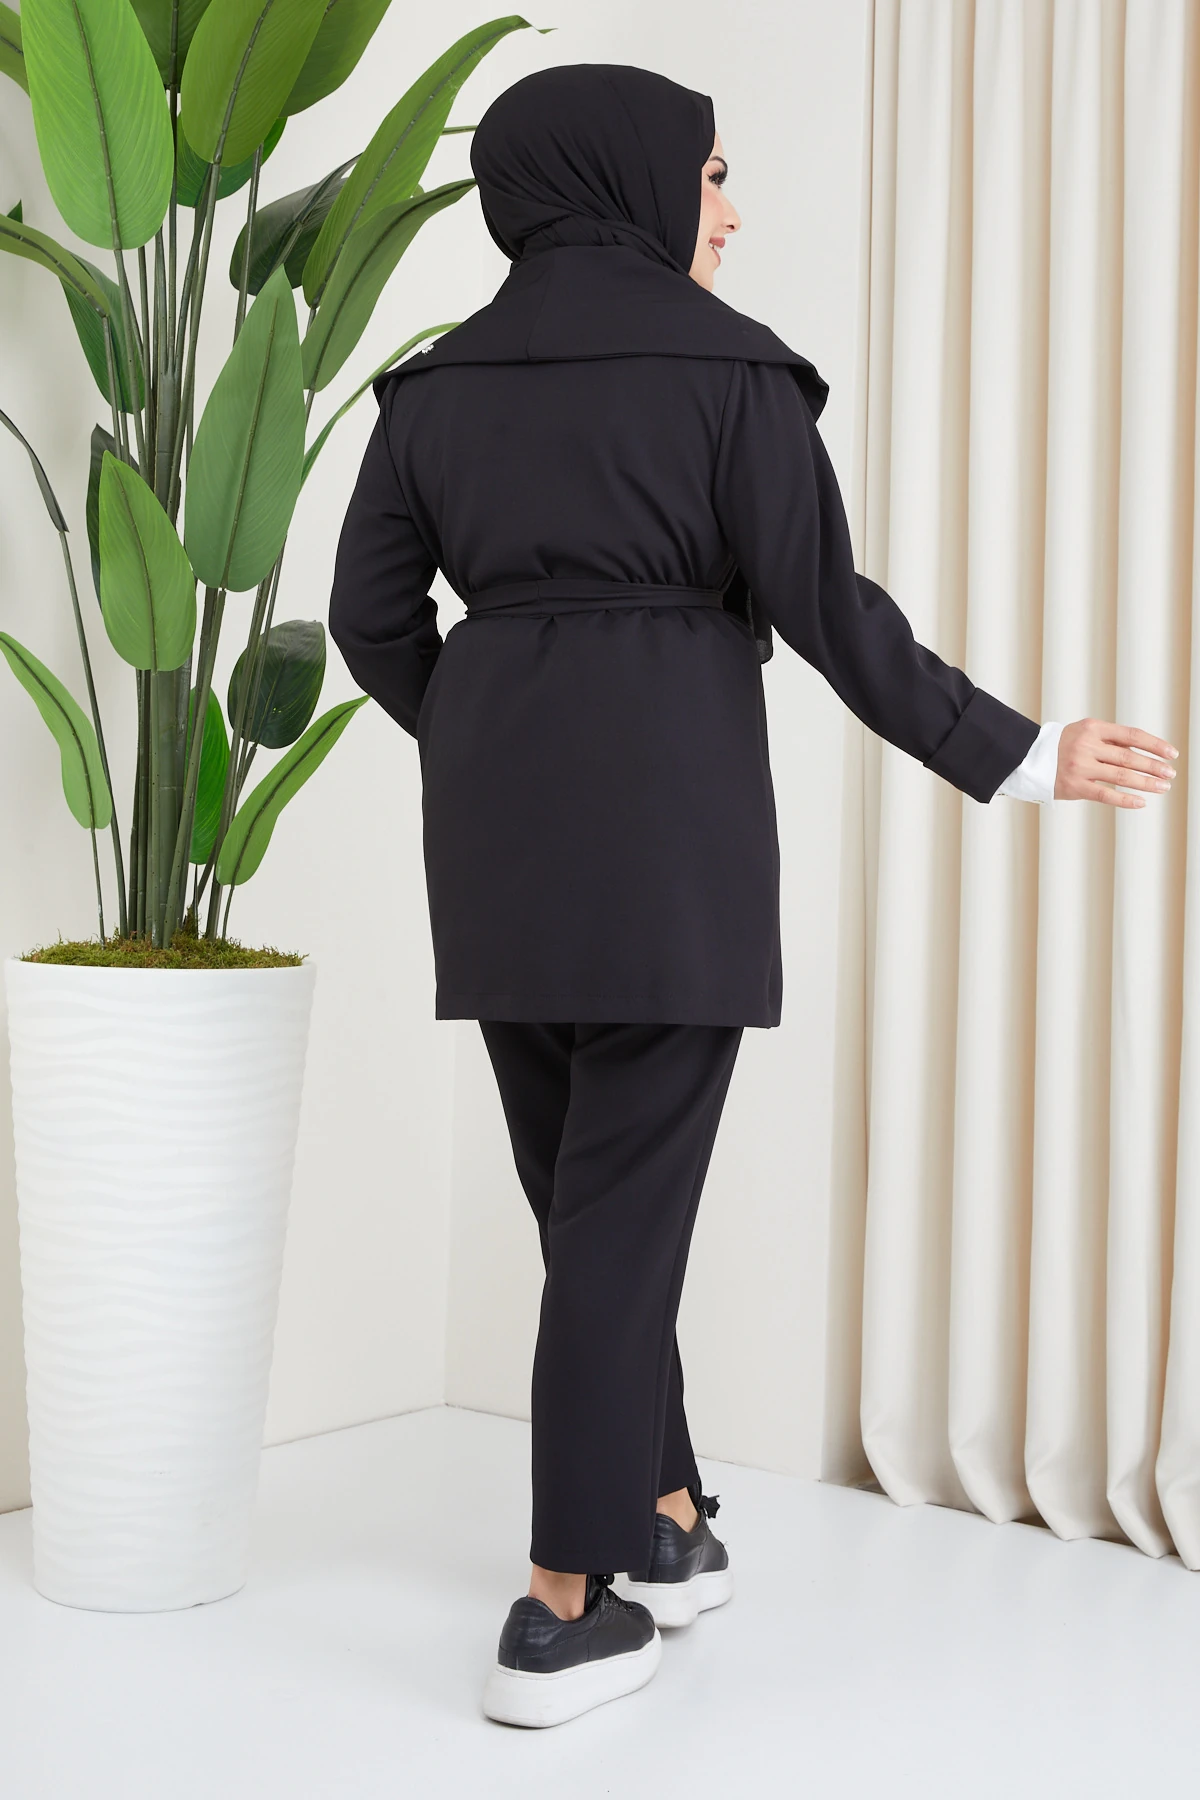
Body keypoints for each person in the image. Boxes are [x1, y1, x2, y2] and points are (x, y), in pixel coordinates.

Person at [327, 62, 1179, 1729]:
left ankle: (660, 1514)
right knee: (616, 1221)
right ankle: (562, 1607)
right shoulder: (729, 374)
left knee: (590, 1210)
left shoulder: (431, 390)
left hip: (500, 852)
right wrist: (1022, 751)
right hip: (669, 845)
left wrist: (491, 740)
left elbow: (373, 622)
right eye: (712, 173)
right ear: (628, 177)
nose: (729, 210)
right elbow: (831, 612)